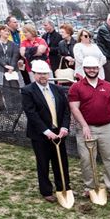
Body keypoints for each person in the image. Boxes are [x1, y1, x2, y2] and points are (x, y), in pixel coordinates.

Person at [68, 55, 110, 202]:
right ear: (84, 69)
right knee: (87, 160)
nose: (92, 70)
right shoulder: (77, 87)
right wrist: (84, 126)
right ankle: (90, 187)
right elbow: (74, 108)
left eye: (94, 68)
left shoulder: (107, 86)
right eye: (89, 68)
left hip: (107, 128)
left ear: (98, 69)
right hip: (87, 129)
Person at [21, 60, 71, 202]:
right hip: (41, 135)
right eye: (39, 73)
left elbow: (66, 111)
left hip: (59, 133)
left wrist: (64, 127)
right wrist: (46, 131)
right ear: (34, 74)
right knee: (43, 163)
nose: (42, 76)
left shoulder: (57, 89)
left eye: (45, 73)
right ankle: (46, 191)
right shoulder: (28, 91)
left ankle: (63, 187)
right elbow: (31, 113)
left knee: (61, 161)